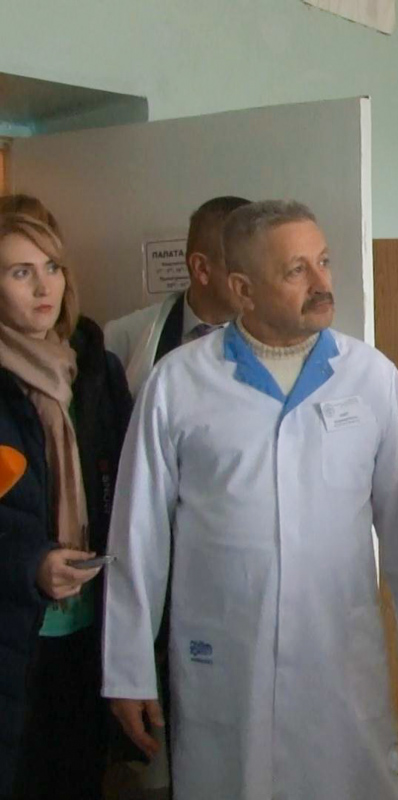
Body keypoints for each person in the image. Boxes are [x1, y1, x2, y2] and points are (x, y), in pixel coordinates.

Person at [101, 200, 398, 800]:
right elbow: (138, 535)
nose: (321, 283)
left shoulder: (370, 377)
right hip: (225, 658)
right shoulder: (178, 383)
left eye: (324, 261)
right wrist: (128, 669)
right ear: (242, 289)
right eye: (296, 270)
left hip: (337, 657)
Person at [0, 211, 132, 799]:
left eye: (51, 267)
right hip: (15, 636)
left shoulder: (93, 367)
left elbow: (128, 488)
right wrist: (29, 563)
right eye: (20, 272)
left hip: (90, 628)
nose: (42, 286)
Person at [105, 195, 250, 396]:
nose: (261, 277)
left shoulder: (279, 341)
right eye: (247, 264)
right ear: (202, 268)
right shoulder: (122, 338)